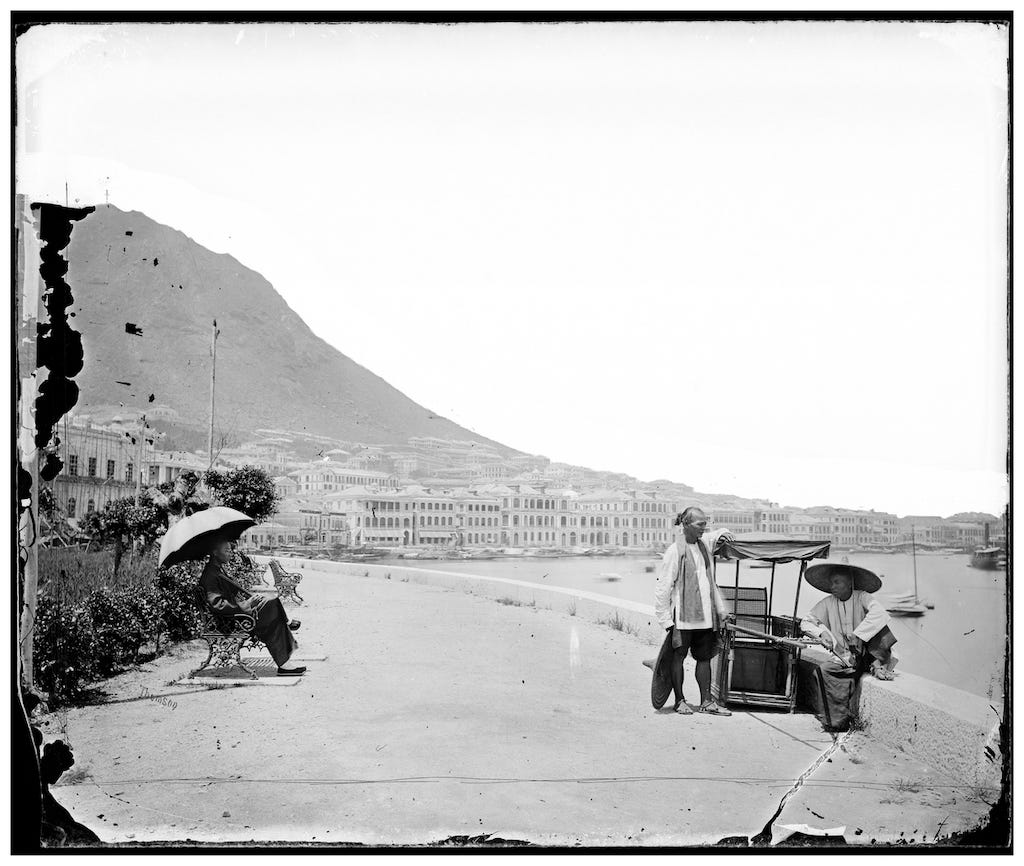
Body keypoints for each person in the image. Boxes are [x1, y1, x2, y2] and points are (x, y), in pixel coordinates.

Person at [653, 507, 734, 716]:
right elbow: (663, 587)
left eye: (705, 524)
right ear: (686, 525)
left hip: (706, 617)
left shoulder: (704, 544)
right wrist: (665, 620)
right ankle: (680, 701)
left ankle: (707, 702)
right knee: (678, 657)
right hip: (684, 617)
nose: (704, 528)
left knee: (704, 658)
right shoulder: (674, 551)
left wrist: (724, 532)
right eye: (700, 525)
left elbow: (717, 535)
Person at [800, 562, 897, 731]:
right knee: (822, 671)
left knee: (880, 631)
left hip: (868, 653)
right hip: (845, 656)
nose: (833, 587)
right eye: (831, 583)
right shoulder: (828, 602)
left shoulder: (862, 597)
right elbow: (806, 621)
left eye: (837, 582)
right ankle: (837, 720)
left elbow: (880, 614)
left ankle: (876, 665)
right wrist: (821, 633)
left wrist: (859, 634)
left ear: (849, 583)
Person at [199, 536, 306, 676]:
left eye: (230, 550)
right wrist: (247, 603)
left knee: (271, 604)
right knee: (272, 610)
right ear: (214, 552)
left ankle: (284, 660)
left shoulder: (216, 570)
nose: (230, 552)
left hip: (234, 616)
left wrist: (251, 598)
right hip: (228, 622)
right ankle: (285, 658)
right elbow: (218, 604)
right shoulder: (211, 575)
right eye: (226, 550)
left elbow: (229, 594)